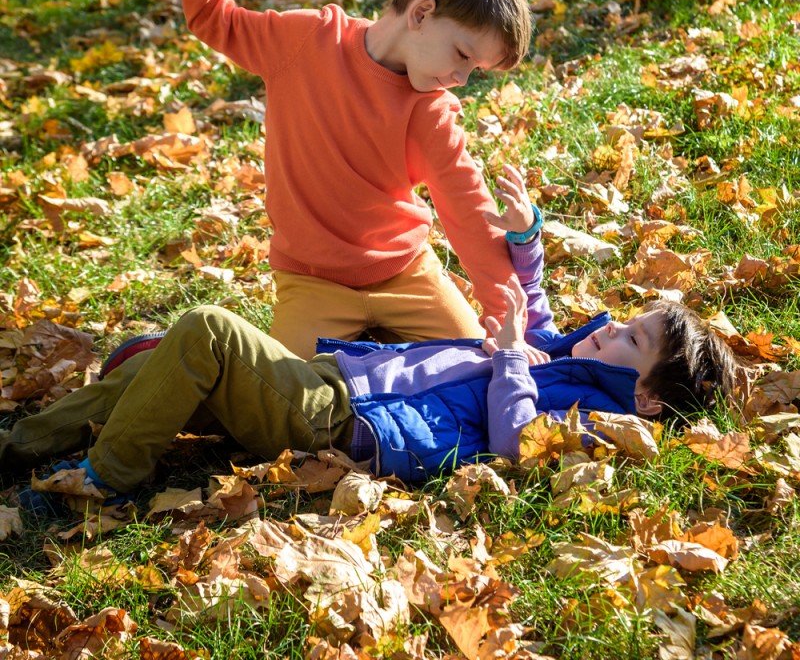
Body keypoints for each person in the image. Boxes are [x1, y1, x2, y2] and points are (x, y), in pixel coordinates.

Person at [0, 167, 738, 499]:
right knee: (153, 371)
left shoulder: (596, 420)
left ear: (644, 398)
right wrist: (527, 237)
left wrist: (511, 352)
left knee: (206, 331)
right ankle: (20, 446)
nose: (609, 333)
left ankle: (108, 478)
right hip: (337, 385)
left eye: (630, 343)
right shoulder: (561, 353)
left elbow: (517, 442)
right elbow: (534, 303)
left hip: (342, 424)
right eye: (627, 325)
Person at [174, 0, 533, 359]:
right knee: (290, 399)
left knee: (471, 370)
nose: (463, 77)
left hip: (407, 273)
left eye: (475, 68)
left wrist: (509, 323)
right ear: (422, 14)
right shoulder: (304, 43)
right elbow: (213, 18)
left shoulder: (431, 109)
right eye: (463, 55)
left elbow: (469, 210)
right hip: (311, 280)